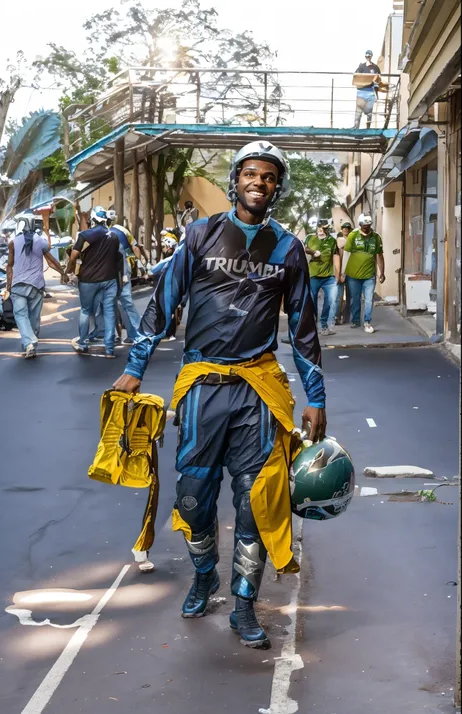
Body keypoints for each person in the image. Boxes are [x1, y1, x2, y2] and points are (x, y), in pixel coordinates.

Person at [113, 141, 326, 650]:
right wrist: (135, 367)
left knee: (256, 503)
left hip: (258, 393)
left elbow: (303, 329)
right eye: (251, 173)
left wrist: (315, 397)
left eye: (270, 176)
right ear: (236, 181)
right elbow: (162, 306)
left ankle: (245, 603)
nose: (259, 182)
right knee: (193, 495)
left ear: (278, 187)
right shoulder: (200, 234)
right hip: (203, 390)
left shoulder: (287, 248)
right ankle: (205, 574)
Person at [4, 213, 67, 358]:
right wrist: (62, 273)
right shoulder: (41, 241)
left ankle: (29, 343)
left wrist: (8, 287)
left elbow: (9, 266)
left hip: (18, 285)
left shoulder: (13, 242)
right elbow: (51, 261)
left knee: (20, 315)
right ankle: (31, 343)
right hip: (36, 286)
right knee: (34, 316)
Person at [66, 206, 122, 358]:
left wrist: (68, 271)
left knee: (85, 310)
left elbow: (73, 256)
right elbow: (116, 258)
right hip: (109, 280)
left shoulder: (85, 235)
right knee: (109, 312)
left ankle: (83, 344)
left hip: (88, 280)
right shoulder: (114, 236)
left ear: (92, 219)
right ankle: (110, 349)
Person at [341, 214, 385, 333]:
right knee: (355, 299)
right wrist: (342, 272)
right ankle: (356, 320)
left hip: (369, 275)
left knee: (369, 299)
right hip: (353, 275)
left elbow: (380, 255)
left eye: (368, 225)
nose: (366, 228)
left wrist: (382, 272)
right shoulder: (353, 235)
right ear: (360, 225)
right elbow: (346, 254)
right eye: (364, 226)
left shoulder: (376, 237)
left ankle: (367, 322)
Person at [107, 212, 145, 344]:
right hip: (120, 269)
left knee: (121, 302)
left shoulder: (108, 231)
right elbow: (135, 247)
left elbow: (135, 247)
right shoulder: (119, 230)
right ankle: (132, 334)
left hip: (119, 268)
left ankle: (137, 332)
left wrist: (139, 264)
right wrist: (140, 264)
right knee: (122, 303)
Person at [304, 219, 340, 336]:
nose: (324, 230)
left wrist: (338, 274)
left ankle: (324, 326)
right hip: (313, 275)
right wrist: (313, 252)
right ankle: (313, 325)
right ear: (318, 227)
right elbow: (304, 248)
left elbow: (335, 256)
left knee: (331, 300)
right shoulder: (310, 238)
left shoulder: (332, 240)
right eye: (322, 228)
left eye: (326, 228)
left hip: (329, 276)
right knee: (312, 301)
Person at [353, 50, 381, 129]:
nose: (368, 58)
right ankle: (356, 128)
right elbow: (356, 76)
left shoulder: (375, 68)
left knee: (369, 114)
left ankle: (368, 129)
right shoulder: (362, 66)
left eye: (369, 56)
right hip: (361, 92)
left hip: (370, 92)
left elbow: (377, 81)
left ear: (371, 56)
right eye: (366, 56)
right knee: (358, 113)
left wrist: (377, 95)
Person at [335, 221, 353, 324]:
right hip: (341, 271)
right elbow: (339, 258)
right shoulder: (339, 240)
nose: (345, 229)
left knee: (350, 297)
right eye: (344, 228)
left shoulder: (353, 240)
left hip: (351, 272)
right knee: (339, 297)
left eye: (347, 228)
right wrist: (340, 273)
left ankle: (346, 318)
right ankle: (337, 317)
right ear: (341, 230)